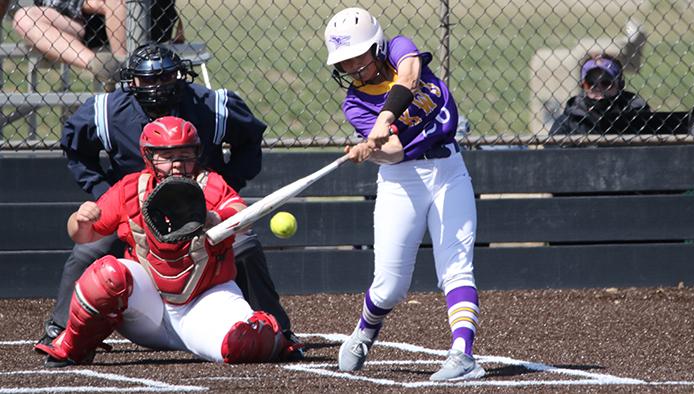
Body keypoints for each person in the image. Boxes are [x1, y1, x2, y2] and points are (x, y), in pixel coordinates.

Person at [37, 43, 302, 358]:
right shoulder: (123, 160)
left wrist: (216, 199)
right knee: (91, 254)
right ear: (148, 155)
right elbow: (77, 156)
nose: (176, 163)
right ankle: (62, 330)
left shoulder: (210, 119)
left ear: (197, 152)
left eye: (184, 154)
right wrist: (99, 195)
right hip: (135, 219)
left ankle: (277, 331)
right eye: (166, 155)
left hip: (202, 219)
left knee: (246, 246)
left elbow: (241, 198)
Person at [323, 7, 485, 381]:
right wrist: (371, 151)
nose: (351, 69)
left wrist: (384, 119)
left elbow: (410, 78)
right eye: (344, 63)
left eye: (357, 59)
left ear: (377, 48)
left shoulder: (399, 47)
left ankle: (463, 355)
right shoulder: (354, 104)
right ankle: (366, 329)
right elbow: (395, 151)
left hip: (450, 169)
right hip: (402, 181)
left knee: (456, 266)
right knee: (391, 286)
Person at [11, 0, 182, 89]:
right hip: (81, 21)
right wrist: (85, 4)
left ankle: (128, 72)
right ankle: (105, 67)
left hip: (141, 18)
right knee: (24, 17)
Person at [549, 54, 650, 136]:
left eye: (606, 83)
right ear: (582, 86)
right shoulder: (570, 120)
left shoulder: (637, 115)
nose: (598, 89)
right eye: (591, 83)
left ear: (620, 85)